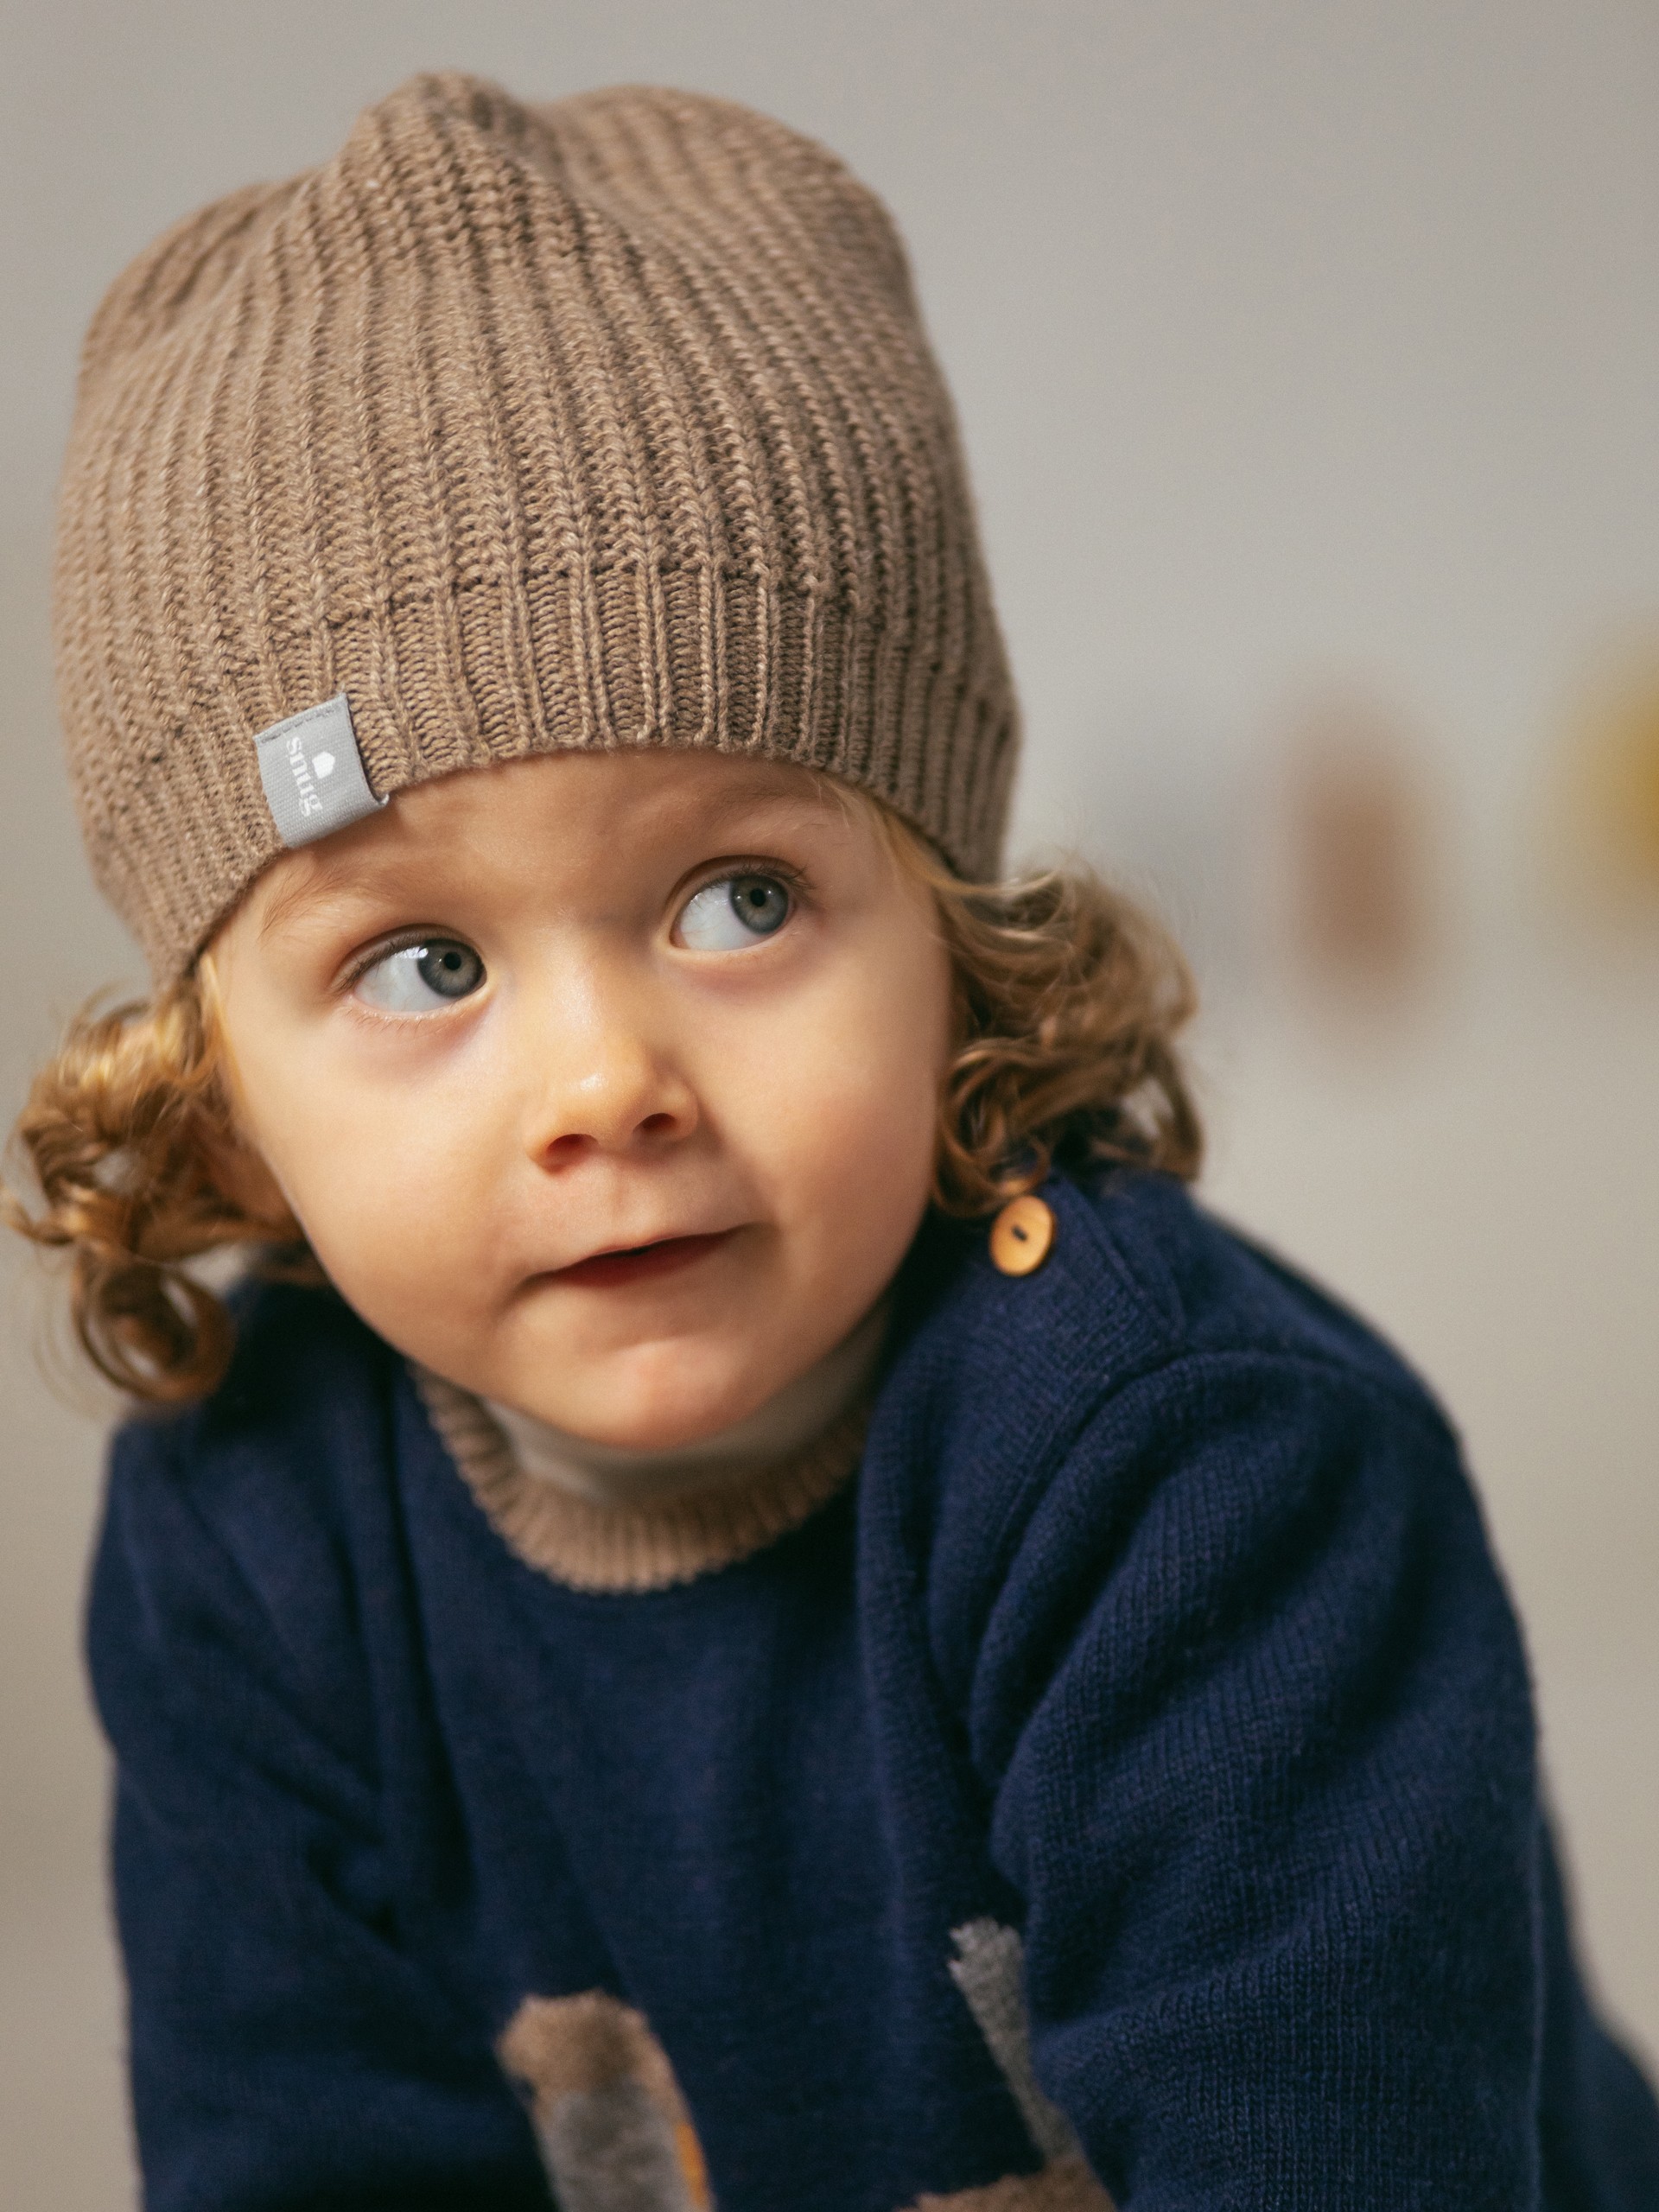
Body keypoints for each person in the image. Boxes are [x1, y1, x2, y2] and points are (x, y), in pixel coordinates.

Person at [5, 70, 1656, 2212]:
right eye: (423, 962)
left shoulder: (1192, 1464)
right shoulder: (258, 1531)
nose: (604, 1082)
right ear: (219, 1094)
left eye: (740, 901)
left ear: (955, 941)